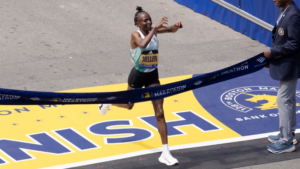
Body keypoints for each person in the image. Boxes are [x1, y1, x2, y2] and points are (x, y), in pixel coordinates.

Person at [98, 6, 182, 166]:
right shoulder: (135, 35)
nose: (149, 22)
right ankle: (108, 102)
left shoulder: (154, 30)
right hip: (137, 76)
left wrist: (176, 27)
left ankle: (165, 152)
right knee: (129, 106)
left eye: (150, 19)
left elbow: (171, 30)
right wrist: (155, 28)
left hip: (152, 76)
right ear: (138, 23)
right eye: (145, 20)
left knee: (160, 112)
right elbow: (143, 44)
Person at [264, 0, 300, 154]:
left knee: (283, 99)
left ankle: (286, 141)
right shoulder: (284, 10)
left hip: (290, 65)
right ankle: (288, 135)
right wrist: (272, 58)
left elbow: (295, 43)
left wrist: (273, 53)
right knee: (288, 99)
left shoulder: (293, 15)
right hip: (285, 64)